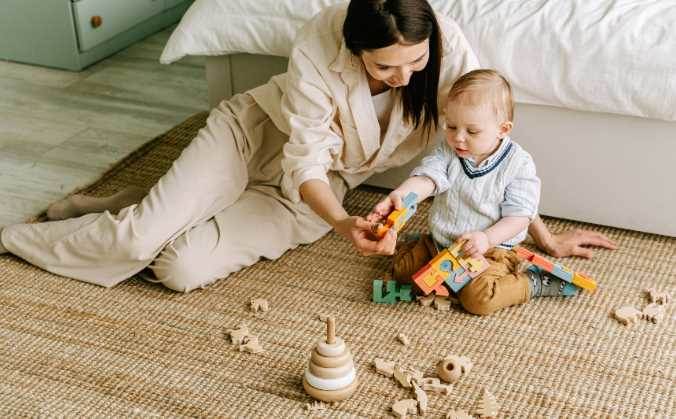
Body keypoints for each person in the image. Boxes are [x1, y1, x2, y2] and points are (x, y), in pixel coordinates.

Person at [0, 0, 615, 292]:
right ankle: (17, 236)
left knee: (177, 268)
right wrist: (344, 225)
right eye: (386, 68)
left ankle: (134, 202)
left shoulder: (447, 50)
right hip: (257, 140)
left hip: (326, 185)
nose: (406, 79)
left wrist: (543, 236)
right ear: (356, 52)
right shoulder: (318, 43)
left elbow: (487, 157)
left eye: (417, 63)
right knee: (135, 240)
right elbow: (304, 159)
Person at [370, 69, 606, 316]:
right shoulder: (448, 152)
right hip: (441, 243)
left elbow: (520, 216)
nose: (458, 138)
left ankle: (532, 283)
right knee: (402, 273)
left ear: (502, 129)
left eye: (472, 131)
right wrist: (402, 193)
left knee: (478, 300)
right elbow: (428, 178)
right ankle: (422, 250)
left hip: (493, 250)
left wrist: (487, 238)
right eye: (451, 126)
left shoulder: (518, 164)